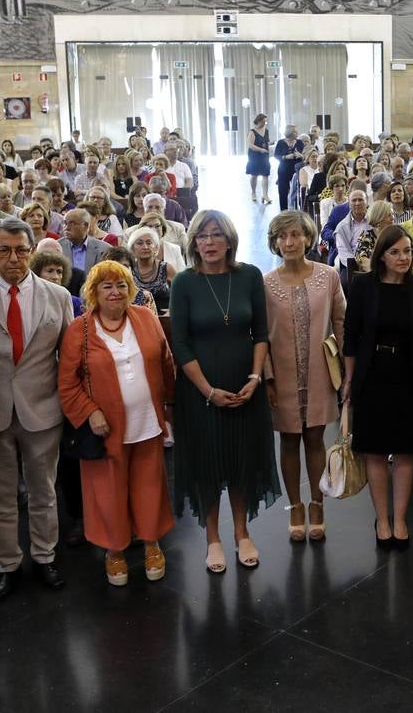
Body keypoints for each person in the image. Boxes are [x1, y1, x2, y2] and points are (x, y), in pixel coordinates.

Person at [0, 217, 73, 600]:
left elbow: (69, 358)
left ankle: (45, 557)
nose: (13, 258)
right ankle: (7, 564)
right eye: (4, 250)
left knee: (44, 491)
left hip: (43, 411)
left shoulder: (57, 296)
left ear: (33, 250)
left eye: (21, 250)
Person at [170, 211, 280, 572]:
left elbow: (261, 333)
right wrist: (207, 390)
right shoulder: (184, 282)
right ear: (193, 243)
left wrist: (255, 377)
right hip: (200, 389)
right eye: (202, 236)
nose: (210, 242)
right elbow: (181, 345)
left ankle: (242, 533)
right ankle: (213, 538)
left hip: (245, 385)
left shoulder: (248, 275)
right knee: (208, 463)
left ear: (229, 240)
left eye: (217, 235)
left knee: (240, 459)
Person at [58, 260, 175, 586]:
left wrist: (171, 405)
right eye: (106, 286)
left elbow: (166, 361)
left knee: (150, 485)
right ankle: (115, 551)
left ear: (130, 290)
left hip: (147, 422)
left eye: (121, 285)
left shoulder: (146, 318)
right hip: (105, 429)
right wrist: (89, 411)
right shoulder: (79, 329)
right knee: (107, 491)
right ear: (93, 293)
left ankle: (151, 543)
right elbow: (67, 384)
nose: (115, 292)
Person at [344, 225, 413, 549]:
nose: (403, 257)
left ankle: (399, 518)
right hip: (372, 376)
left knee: (405, 451)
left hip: (410, 376)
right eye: (395, 252)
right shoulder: (362, 285)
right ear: (381, 256)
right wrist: (348, 381)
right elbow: (350, 338)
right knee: (374, 450)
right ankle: (381, 518)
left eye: (408, 251)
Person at [263, 211, 345, 542]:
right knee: (287, 440)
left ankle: (317, 503)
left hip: (320, 371)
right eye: (282, 237)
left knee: (314, 439)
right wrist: (267, 376)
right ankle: (295, 505)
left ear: (308, 238)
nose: (289, 242)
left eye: (295, 235)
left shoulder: (328, 277)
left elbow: (341, 320)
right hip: (281, 374)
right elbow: (259, 336)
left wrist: (347, 368)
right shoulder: (266, 283)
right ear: (274, 243)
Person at [126, 225, 174, 311]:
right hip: (137, 318)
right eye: (139, 243)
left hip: (164, 318)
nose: (145, 247)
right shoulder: (128, 270)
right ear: (132, 248)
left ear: (155, 248)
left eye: (149, 243)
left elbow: (180, 295)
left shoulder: (166, 268)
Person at [59, 208, 110, 272]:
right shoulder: (57, 247)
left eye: (72, 224)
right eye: (65, 223)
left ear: (85, 225)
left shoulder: (104, 249)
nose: (66, 228)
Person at [246, 113, 273, 204]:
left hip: (264, 155)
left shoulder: (266, 131)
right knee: (254, 175)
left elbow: (267, 142)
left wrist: (269, 148)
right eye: (263, 121)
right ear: (258, 121)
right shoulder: (252, 132)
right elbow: (250, 145)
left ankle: (265, 195)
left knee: (266, 175)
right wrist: (260, 150)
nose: (265, 123)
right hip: (254, 156)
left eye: (265, 122)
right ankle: (253, 192)